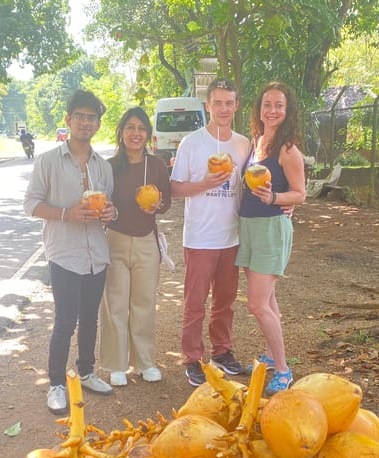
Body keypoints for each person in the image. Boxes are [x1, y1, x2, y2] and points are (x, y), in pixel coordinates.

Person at [23, 90, 117, 413]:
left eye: (92, 118)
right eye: (80, 116)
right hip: (64, 254)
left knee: (91, 317)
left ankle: (87, 371)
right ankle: (56, 384)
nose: (86, 122)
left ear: (98, 124)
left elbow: (110, 206)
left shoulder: (103, 166)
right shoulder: (48, 161)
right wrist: (66, 213)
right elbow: (31, 204)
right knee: (66, 320)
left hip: (96, 255)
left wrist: (110, 213)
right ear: (69, 119)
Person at [170, 78, 252, 387]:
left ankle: (222, 352)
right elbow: (175, 188)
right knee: (195, 303)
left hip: (231, 236)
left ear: (236, 106)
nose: (223, 108)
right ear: (208, 106)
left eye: (229, 103)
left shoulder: (244, 144)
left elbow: (251, 184)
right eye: (217, 103)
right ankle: (193, 358)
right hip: (200, 238)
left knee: (225, 301)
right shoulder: (192, 142)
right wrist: (205, 183)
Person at [237, 82, 306, 395]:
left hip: (270, 229)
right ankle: (269, 356)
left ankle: (282, 370)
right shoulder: (258, 141)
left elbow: (300, 194)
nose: (273, 110)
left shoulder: (288, 149)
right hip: (249, 227)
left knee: (257, 304)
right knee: (269, 300)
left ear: (287, 110)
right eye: (267, 104)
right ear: (259, 108)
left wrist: (275, 198)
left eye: (279, 105)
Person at [101, 107, 172, 386]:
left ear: (148, 134)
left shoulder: (155, 165)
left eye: (141, 128)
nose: (136, 133)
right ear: (121, 132)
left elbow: (166, 201)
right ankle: (116, 364)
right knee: (115, 305)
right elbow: (103, 204)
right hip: (115, 240)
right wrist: (111, 212)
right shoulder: (109, 166)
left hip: (146, 242)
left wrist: (157, 205)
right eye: (130, 127)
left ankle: (144, 362)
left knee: (144, 303)